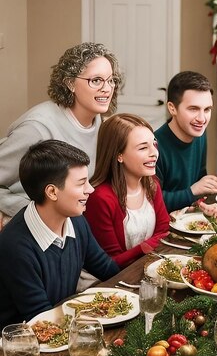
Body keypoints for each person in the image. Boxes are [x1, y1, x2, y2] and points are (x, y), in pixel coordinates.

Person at [0, 42, 121, 227]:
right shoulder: (37, 127)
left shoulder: (101, 124)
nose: (107, 88)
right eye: (96, 80)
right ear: (70, 83)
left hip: (75, 224)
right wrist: (29, 211)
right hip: (32, 226)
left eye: (111, 80)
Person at [0, 141, 119, 327]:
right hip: (23, 344)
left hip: (64, 324)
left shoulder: (75, 219)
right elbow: (41, 316)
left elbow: (105, 268)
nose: (91, 189)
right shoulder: (14, 246)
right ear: (52, 192)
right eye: (81, 184)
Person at [84, 114, 170, 267]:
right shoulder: (100, 198)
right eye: (143, 148)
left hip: (146, 268)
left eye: (154, 144)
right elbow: (111, 263)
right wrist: (145, 247)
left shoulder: (152, 185)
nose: (154, 153)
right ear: (119, 155)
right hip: (108, 282)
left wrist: (148, 246)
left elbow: (164, 231)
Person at [154, 71, 217, 212]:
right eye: (193, 109)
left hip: (187, 218)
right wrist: (192, 191)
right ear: (172, 108)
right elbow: (151, 201)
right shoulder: (153, 146)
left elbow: (199, 183)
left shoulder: (199, 134)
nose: (202, 119)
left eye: (207, 109)